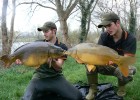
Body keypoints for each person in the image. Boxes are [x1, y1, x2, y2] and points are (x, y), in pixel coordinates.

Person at [16, 21, 83, 100]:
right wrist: (22, 61)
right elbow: (30, 59)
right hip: (39, 77)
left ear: (54, 31)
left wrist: (52, 61)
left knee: (77, 97)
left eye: (46, 31)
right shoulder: (38, 44)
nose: (44, 34)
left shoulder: (61, 47)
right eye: (43, 32)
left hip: (55, 77)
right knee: (27, 98)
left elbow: (58, 67)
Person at [85, 12, 137, 100]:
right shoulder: (104, 36)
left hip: (120, 64)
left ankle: (121, 87)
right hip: (105, 64)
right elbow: (98, 53)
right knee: (89, 63)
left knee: (130, 71)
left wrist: (114, 61)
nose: (107, 29)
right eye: (105, 27)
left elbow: (127, 60)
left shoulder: (130, 38)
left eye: (109, 25)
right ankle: (93, 89)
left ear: (118, 23)